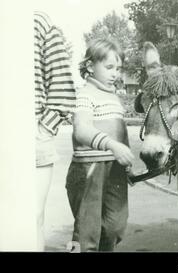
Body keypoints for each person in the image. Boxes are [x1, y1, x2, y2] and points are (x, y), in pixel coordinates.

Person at [65, 38, 134, 252]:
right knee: (85, 233)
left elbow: (121, 134)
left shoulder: (114, 98)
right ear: (90, 66)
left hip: (115, 171)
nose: (115, 73)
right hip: (88, 171)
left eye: (118, 68)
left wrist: (128, 162)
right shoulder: (85, 94)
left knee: (114, 228)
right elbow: (82, 129)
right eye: (109, 67)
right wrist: (112, 146)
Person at [34, 11, 76, 251]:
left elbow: (62, 86)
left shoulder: (38, 22)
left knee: (30, 219)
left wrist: (42, 130)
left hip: (30, 134)